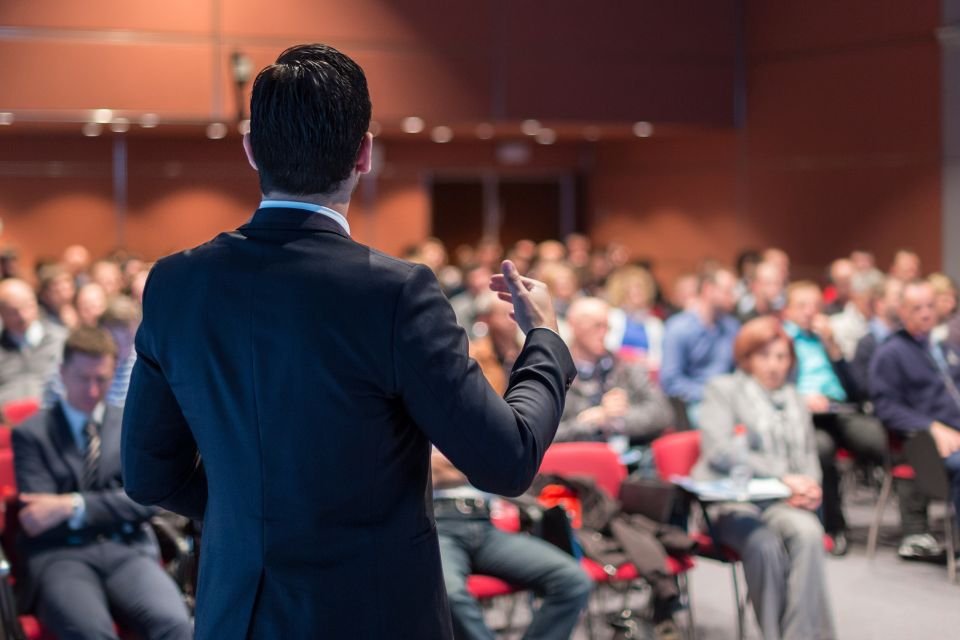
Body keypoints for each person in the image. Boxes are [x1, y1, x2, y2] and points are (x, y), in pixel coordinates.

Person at [121, 43, 575, 640]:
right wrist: (544, 339)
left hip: (236, 615)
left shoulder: (176, 283)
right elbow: (507, 459)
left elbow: (149, 475)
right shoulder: (395, 293)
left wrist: (259, 518)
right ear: (364, 154)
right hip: (372, 613)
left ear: (252, 149)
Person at [13, 327, 191, 640]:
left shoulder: (129, 423)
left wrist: (71, 505)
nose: (93, 390)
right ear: (62, 372)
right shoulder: (32, 433)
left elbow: (147, 501)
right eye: (84, 378)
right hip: (61, 557)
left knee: (176, 626)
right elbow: (37, 518)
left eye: (103, 379)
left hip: (127, 548)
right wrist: (118, 502)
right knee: (92, 634)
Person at [693, 317, 835, 640]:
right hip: (730, 500)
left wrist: (809, 487)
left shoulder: (795, 399)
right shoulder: (724, 389)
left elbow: (810, 455)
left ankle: (798, 635)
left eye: (781, 357)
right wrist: (785, 476)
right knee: (765, 545)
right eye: (765, 356)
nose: (774, 365)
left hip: (781, 501)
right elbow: (720, 450)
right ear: (747, 358)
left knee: (809, 532)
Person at [432, 449, 592, 640]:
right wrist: (474, 464)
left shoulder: (475, 424)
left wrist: (450, 467)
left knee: (573, 580)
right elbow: (417, 472)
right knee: (446, 595)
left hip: (484, 524)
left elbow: (507, 470)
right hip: (436, 526)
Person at [781, 281, 887, 554]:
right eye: (802, 306)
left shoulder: (826, 339)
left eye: (815, 306)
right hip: (803, 415)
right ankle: (833, 526)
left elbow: (856, 388)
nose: (809, 312)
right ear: (788, 310)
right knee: (822, 449)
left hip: (839, 409)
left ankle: (917, 524)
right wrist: (802, 400)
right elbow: (775, 386)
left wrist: (834, 348)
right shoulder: (782, 340)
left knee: (878, 439)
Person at [871, 280, 960, 555]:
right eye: (917, 308)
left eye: (930, 306)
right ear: (903, 311)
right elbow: (886, 408)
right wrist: (931, 427)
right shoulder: (890, 353)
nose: (925, 313)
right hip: (922, 445)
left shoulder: (944, 347)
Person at [558, 297, 673, 446]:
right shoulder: (555, 373)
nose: (604, 333)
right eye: (597, 326)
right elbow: (538, 434)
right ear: (573, 325)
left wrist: (616, 419)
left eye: (607, 327)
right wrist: (587, 422)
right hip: (576, 462)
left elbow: (663, 413)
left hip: (631, 457)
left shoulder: (625, 366)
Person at [660, 267, 739, 425]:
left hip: (729, 399)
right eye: (728, 291)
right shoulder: (679, 328)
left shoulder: (733, 327)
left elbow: (739, 370)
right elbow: (671, 380)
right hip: (695, 401)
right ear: (708, 289)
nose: (734, 298)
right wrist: (709, 394)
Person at [0, 278, 67, 405]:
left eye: (26, 307)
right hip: (6, 418)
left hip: (49, 417)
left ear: (35, 304)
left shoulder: (60, 339)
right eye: (13, 311)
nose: (22, 316)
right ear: (1, 313)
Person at [604, 265, 665, 370]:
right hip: (616, 372)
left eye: (640, 288)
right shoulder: (612, 317)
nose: (636, 292)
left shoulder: (655, 324)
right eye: (631, 288)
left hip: (645, 374)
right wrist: (635, 357)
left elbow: (658, 358)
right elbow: (608, 348)